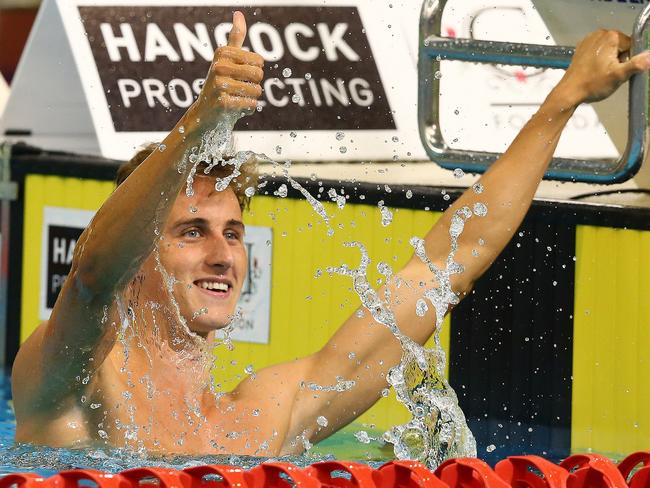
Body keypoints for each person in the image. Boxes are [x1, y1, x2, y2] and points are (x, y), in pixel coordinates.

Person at [11, 12, 650, 455]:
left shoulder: (262, 416)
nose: (222, 255)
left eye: (233, 232)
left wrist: (564, 99)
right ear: (138, 265)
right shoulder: (75, 391)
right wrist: (201, 122)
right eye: (190, 232)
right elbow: (93, 274)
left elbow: (446, 265)